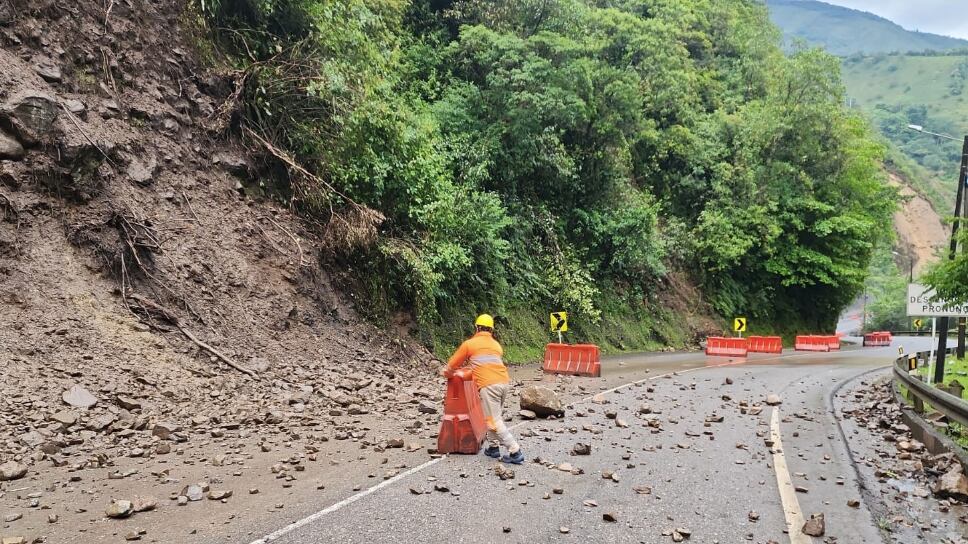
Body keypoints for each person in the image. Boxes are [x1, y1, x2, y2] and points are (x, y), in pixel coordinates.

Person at [441, 314, 524, 464]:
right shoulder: (496, 346)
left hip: (489, 385)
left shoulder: (470, 344)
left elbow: (452, 365)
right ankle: (493, 448)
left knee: (493, 420)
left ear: (477, 327)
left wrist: (446, 373)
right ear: (491, 330)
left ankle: (515, 450)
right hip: (503, 383)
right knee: (492, 415)